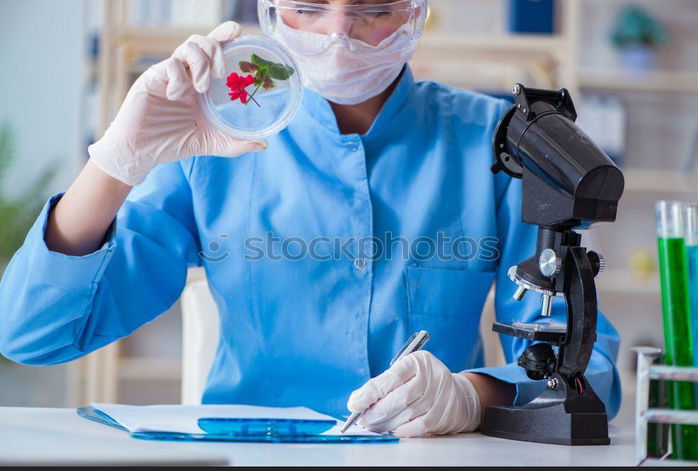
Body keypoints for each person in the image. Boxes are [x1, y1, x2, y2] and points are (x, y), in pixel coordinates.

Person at [0, 0, 621, 437]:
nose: (338, 33)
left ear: (415, 12)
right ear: (270, 11)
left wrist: (470, 395)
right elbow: (34, 334)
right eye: (308, 6)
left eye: (373, 9)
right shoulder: (214, 139)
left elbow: (589, 367)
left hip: (431, 463)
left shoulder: (498, 143)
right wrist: (116, 161)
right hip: (250, 465)